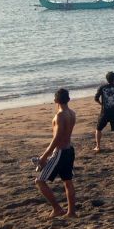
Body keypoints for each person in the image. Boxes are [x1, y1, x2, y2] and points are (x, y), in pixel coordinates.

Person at [34, 88, 76, 219]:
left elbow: (56, 139)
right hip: (69, 150)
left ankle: (57, 209)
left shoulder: (60, 115)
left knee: (40, 181)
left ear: (55, 100)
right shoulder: (72, 113)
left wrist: (44, 157)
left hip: (60, 152)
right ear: (68, 99)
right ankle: (71, 212)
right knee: (67, 182)